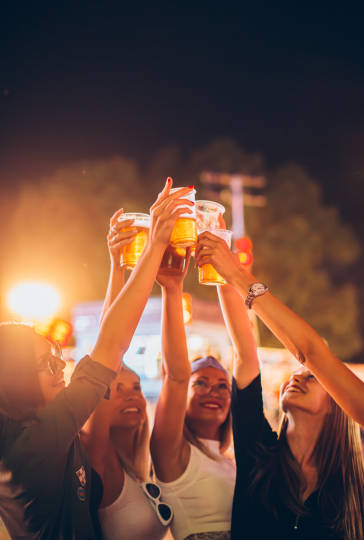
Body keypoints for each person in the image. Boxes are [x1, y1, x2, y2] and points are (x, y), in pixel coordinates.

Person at [195, 190, 364, 540]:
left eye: (313, 377)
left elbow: (311, 352)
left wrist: (235, 272)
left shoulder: (352, 480)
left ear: (336, 403)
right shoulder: (260, 450)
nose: (299, 375)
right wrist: (222, 263)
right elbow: (246, 353)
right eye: (300, 373)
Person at [0, 177, 192, 539]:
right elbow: (109, 351)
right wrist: (154, 247)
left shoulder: (38, 426)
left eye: (60, 360)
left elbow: (104, 353)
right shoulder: (32, 442)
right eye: (50, 364)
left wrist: (118, 267)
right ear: (15, 376)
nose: (63, 371)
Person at [81, 208, 171, 540]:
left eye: (135, 387)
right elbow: (108, 353)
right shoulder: (98, 457)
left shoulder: (137, 466)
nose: (132, 393)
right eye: (117, 389)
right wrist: (118, 268)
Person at [150, 236, 236, 540]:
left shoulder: (232, 461)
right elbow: (175, 376)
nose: (214, 392)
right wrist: (172, 289)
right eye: (200, 383)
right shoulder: (173, 453)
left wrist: (230, 274)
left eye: (223, 386)